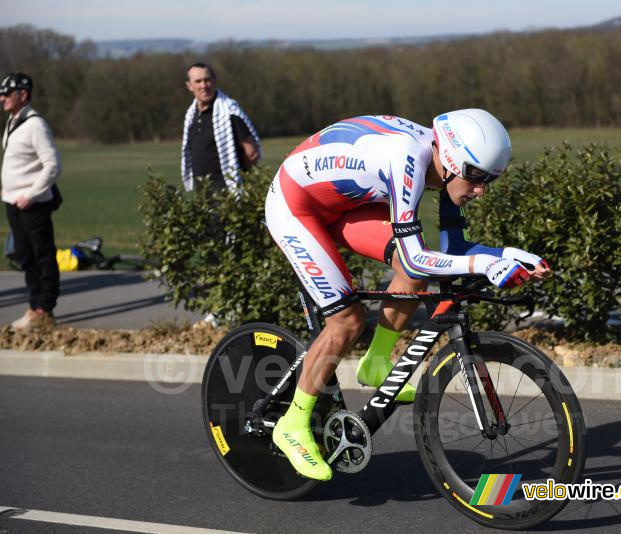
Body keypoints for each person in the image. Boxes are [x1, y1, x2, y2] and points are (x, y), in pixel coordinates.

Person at [264, 110, 550, 480]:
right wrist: (484, 266)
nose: (481, 189)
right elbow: (419, 259)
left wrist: (506, 255)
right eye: (477, 176)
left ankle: (376, 363)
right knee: (347, 321)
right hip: (296, 205)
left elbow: (456, 249)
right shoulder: (408, 159)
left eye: (490, 179)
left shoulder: (446, 165)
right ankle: (292, 422)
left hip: (342, 203)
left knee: (414, 274)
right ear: (450, 160)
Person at [1, 72, 61, 329]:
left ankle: (44, 309)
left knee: (42, 256)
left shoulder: (35, 124)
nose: (2, 98)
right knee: (25, 256)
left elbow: (53, 165)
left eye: (7, 93)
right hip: (13, 202)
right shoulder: (13, 121)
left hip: (32, 204)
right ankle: (34, 305)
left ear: (23, 94)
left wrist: (31, 194)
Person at [181, 62, 261, 193]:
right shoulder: (191, 115)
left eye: (207, 80)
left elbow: (251, 152)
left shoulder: (229, 111)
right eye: (198, 81)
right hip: (203, 192)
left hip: (228, 194)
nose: (203, 86)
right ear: (189, 86)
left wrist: (249, 185)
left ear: (214, 81)